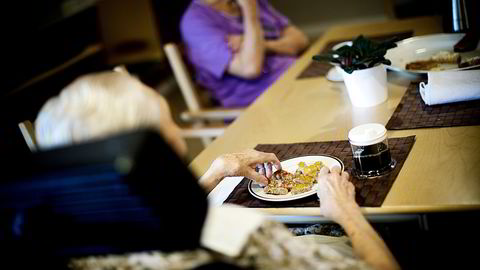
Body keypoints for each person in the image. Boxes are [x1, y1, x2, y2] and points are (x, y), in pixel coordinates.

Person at [35, 71, 399, 270]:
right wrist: (345, 212)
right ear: (164, 150)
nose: (179, 135)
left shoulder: (71, 254)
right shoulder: (233, 237)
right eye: (170, 125)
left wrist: (214, 173)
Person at [180, 0, 309, 108]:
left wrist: (262, 45)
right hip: (261, 103)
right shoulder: (195, 22)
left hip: (297, 77)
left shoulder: (254, 2)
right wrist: (250, 11)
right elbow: (250, 68)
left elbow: (301, 40)